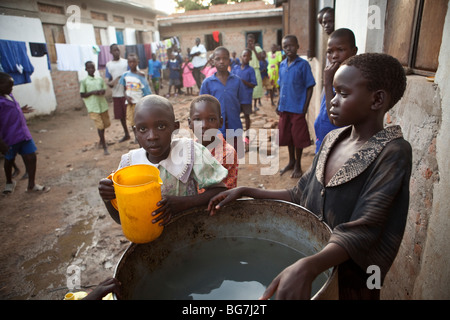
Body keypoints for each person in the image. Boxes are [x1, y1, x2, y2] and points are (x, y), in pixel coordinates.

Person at [208, 53, 412, 300]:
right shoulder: (332, 140)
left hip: (356, 274)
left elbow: (365, 229)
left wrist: (311, 265)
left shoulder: (392, 152)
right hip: (317, 260)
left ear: (377, 99)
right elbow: (299, 194)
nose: (332, 101)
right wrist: (247, 191)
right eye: (333, 92)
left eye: (343, 94)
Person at [98, 95, 228, 226]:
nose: (152, 136)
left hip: (189, 234)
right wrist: (108, 199)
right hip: (150, 239)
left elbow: (220, 191)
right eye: (143, 129)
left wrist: (184, 203)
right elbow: (123, 220)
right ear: (135, 132)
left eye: (161, 127)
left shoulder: (190, 152)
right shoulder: (129, 165)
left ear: (175, 127)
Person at [0, 72, 50, 194]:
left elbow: (10, 111)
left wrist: (20, 110)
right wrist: (1, 143)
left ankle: (31, 185)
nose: (11, 88)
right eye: (9, 86)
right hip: (10, 137)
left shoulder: (9, 95)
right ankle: (9, 182)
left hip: (23, 134)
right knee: (9, 160)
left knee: (31, 157)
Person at [277, 35, 316, 178]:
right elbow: (281, 86)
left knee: (298, 137)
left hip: (297, 108)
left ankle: (298, 164)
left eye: (291, 45)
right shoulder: (282, 65)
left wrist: (305, 108)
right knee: (287, 136)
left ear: (298, 46)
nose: (288, 49)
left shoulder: (303, 65)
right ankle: (291, 161)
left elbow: (310, 87)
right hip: (284, 107)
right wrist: (278, 103)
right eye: (285, 46)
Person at [314, 28, 358, 153]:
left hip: (337, 148)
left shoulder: (352, 81)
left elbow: (334, 119)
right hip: (323, 143)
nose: (334, 56)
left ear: (353, 51)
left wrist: (327, 83)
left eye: (340, 50)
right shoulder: (334, 76)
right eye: (329, 52)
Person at [199, 46, 247, 158]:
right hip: (215, 130)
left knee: (234, 158)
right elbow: (202, 107)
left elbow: (244, 105)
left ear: (229, 61)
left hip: (234, 126)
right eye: (218, 59)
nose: (221, 61)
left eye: (225, 58)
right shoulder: (207, 83)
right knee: (217, 158)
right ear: (213, 61)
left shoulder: (237, 81)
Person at [188, 94, 238, 190]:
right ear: (190, 123)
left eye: (211, 119)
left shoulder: (227, 154)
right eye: (198, 119)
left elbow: (222, 193)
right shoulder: (188, 149)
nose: (204, 125)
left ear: (220, 122)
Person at [80, 61, 111, 155]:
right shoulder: (84, 81)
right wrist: (92, 92)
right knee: (100, 126)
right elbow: (82, 94)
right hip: (93, 107)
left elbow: (104, 90)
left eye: (92, 68)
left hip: (102, 105)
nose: (91, 70)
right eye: (89, 68)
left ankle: (102, 140)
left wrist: (101, 92)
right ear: (86, 69)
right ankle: (104, 146)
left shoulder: (99, 79)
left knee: (105, 124)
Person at [119, 53, 151, 141]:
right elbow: (124, 89)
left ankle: (143, 135)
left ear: (138, 62)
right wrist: (127, 97)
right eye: (130, 62)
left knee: (141, 121)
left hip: (140, 103)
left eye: (134, 62)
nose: (131, 64)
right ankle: (136, 137)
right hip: (130, 103)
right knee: (132, 121)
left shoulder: (141, 75)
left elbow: (147, 90)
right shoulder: (125, 75)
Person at [105, 44, 130, 142]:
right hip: (116, 94)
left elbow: (130, 76)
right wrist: (113, 82)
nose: (116, 52)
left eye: (118, 50)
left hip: (127, 94)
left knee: (131, 116)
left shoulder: (125, 62)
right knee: (121, 117)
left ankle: (136, 135)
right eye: (114, 50)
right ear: (111, 52)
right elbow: (109, 80)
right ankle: (126, 134)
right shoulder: (109, 65)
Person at [231, 48, 256, 134]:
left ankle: (247, 133)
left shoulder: (251, 70)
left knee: (246, 115)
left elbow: (253, 84)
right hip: (236, 97)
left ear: (250, 59)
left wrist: (242, 81)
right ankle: (237, 132)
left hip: (246, 97)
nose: (246, 58)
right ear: (241, 57)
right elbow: (230, 80)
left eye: (248, 56)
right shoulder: (235, 68)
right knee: (235, 115)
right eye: (244, 56)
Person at [246, 34, 263, 112]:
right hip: (248, 69)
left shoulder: (258, 48)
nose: (250, 43)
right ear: (247, 41)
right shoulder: (246, 50)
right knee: (248, 89)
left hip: (256, 69)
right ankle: (250, 106)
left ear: (254, 41)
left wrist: (254, 50)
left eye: (251, 41)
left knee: (256, 88)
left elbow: (260, 58)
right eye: (249, 41)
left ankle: (255, 105)